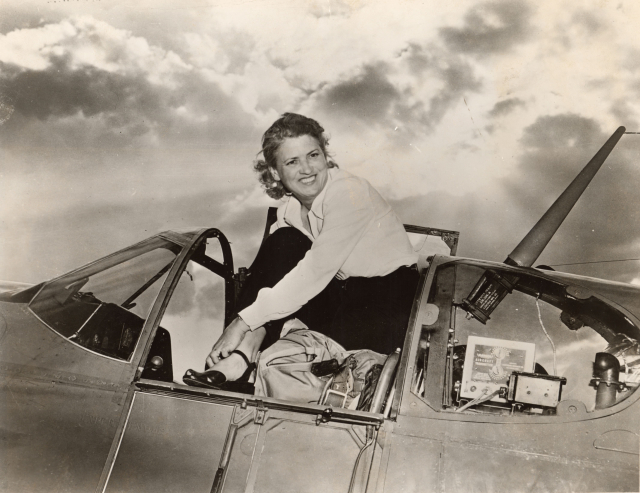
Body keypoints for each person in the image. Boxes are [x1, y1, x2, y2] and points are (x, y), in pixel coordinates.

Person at [186, 113, 419, 389]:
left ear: (325, 156)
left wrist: (240, 322)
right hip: (341, 299)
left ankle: (242, 355)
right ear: (275, 172)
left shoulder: (349, 193)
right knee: (282, 242)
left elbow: (313, 273)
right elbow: (272, 274)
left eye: (313, 155)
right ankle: (242, 355)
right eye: (292, 161)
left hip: (385, 304)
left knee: (284, 277)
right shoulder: (290, 210)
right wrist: (249, 324)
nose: (307, 169)